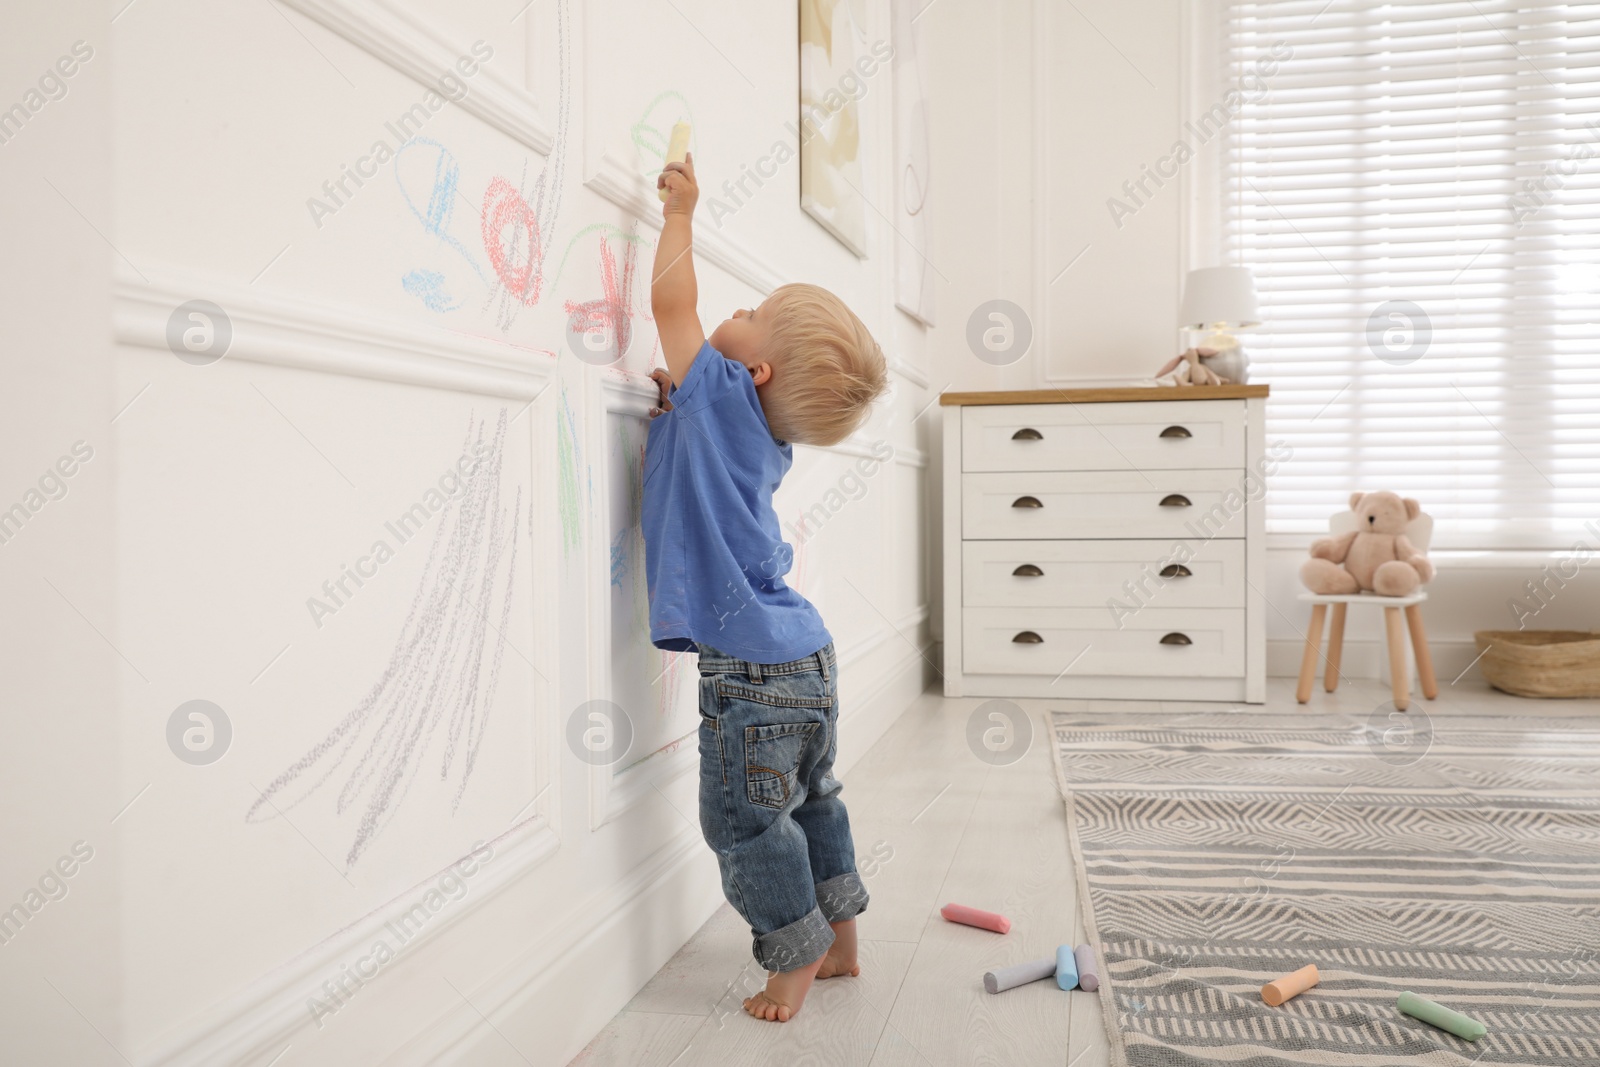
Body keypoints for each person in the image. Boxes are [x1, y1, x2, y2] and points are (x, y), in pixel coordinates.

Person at [642, 148, 888, 1022]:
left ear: (756, 376)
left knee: (746, 825)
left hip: (750, 676)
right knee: (816, 800)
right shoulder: (758, 434)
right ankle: (843, 937)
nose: (733, 311)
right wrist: (679, 400)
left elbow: (673, 303)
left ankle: (792, 953)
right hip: (808, 661)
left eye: (751, 316)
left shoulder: (718, 396)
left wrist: (681, 211)